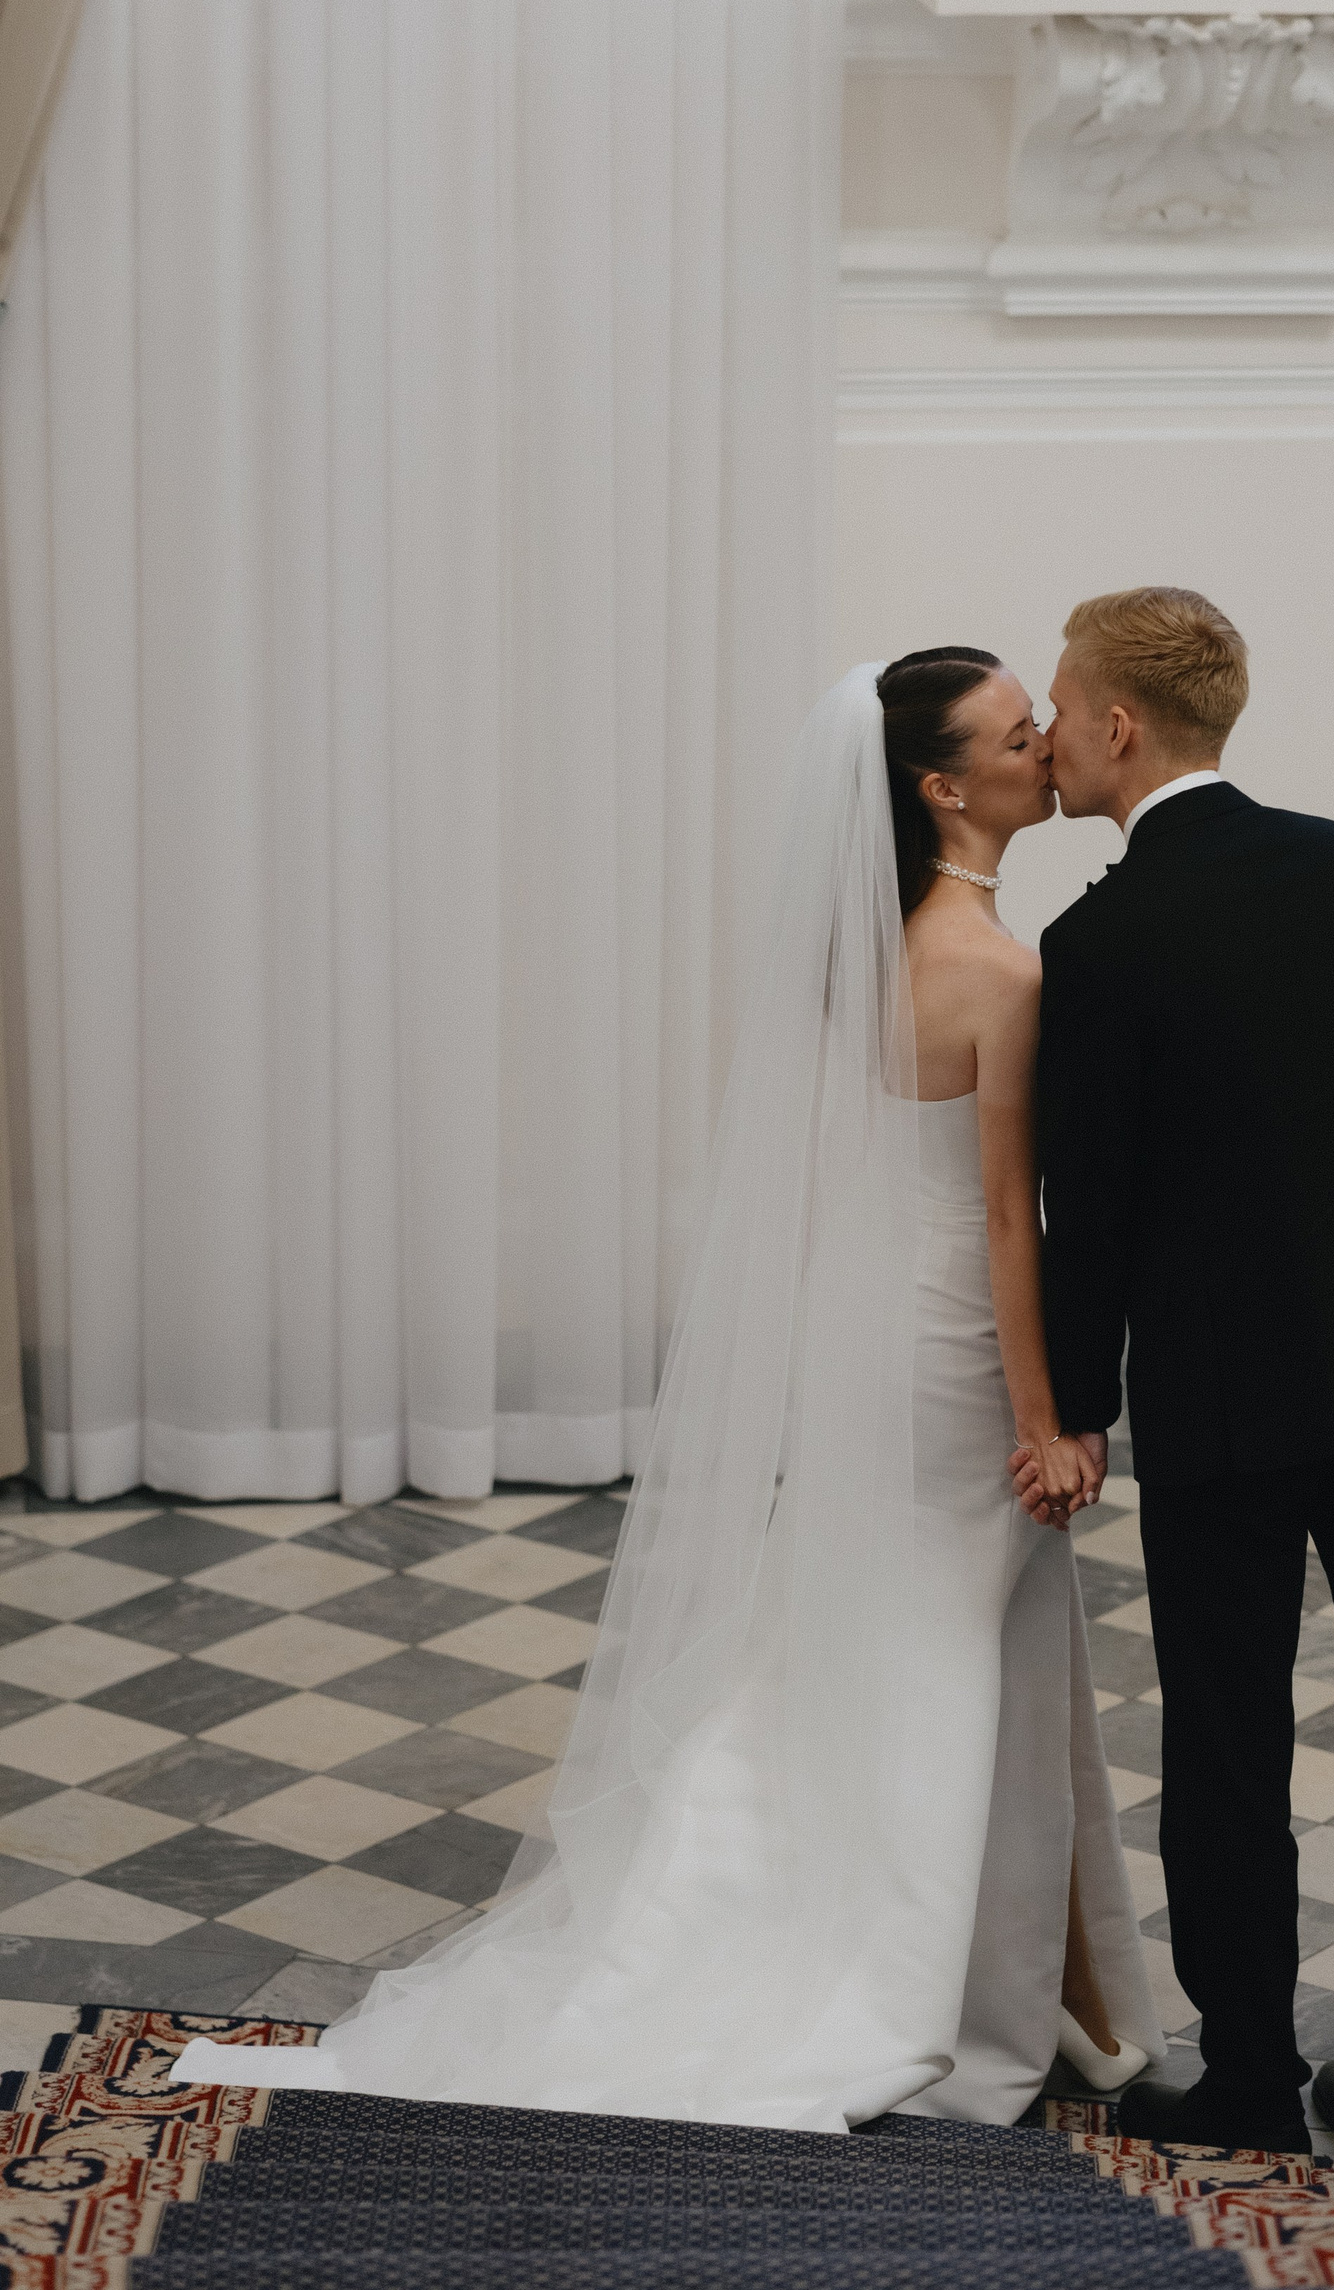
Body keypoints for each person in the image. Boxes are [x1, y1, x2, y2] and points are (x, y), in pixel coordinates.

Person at [174, 656, 1157, 2129]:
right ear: (943, 786)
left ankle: (991, 1973)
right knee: (941, 1646)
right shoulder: (1001, 971)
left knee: (879, 1630)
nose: (1046, 744)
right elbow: (1008, 1214)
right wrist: (1044, 1416)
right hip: (959, 1345)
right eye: (1020, 734)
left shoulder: (862, 953)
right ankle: (906, 1986)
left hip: (881, 1331)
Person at [1012, 586, 1334, 2173]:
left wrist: (1078, 1407)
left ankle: (1250, 2086)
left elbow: (1089, 1210)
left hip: (1222, 1401)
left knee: (1231, 1743)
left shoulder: (1098, 942)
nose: (1050, 733)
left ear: (1120, 723)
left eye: (1062, 705)